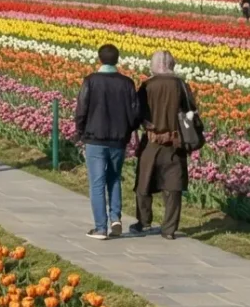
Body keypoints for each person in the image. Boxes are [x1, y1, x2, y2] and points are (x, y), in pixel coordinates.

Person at [73, 43, 142, 240]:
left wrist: (79, 130)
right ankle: (116, 218)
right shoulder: (126, 83)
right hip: (118, 139)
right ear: (117, 60)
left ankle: (100, 227)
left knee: (96, 182)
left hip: (95, 138)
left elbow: (82, 109)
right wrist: (129, 130)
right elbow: (134, 112)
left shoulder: (91, 81)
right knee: (114, 178)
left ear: (99, 59)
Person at [130, 49, 195, 240]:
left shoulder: (147, 86)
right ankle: (169, 228)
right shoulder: (181, 85)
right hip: (176, 142)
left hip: (151, 140)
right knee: (173, 186)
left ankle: (144, 221)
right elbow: (191, 111)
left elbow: (137, 113)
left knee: (143, 183)